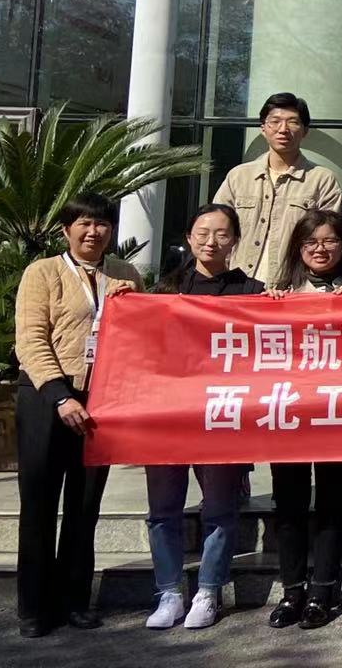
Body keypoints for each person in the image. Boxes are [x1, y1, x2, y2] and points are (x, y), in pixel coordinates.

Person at [13, 192, 142, 638]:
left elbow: (140, 336)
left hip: (101, 398)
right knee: (39, 504)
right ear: (66, 230)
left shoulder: (125, 274)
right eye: (84, 223)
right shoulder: (43, 272)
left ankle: (74, 600)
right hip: (47, 397)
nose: (93, 231)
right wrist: (59, 397)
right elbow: (31, 339)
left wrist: (132, 304)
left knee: (84, 506)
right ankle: (34, 607)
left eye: (102, 223)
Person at [145, 204, 264, 631]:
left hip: (222, 413)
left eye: (221, 233)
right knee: (163, 509)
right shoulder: (164, 291)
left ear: (235, 240)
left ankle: (209, 591)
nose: (211, 242)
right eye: (202, 232)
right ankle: (169, 592)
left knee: (219, 508)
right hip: (168, 414)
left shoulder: (252, 291)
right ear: (189, 237)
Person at [264, 209, 342, 630]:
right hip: (288, 410)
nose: (320, 249)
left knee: (331, 502)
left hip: (338, 411)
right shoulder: (278, 292)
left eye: (329, 241)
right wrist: (269, 308)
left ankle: (322, 593)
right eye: (311, 242)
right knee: (289, 503)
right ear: (298, 248)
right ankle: (292, 592)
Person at [212, 92, 342, 290]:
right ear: (263, 128)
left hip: (293, 290)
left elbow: (329, 242)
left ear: (305, 130)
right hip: (237, 288)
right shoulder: (238, 177)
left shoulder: (321, 180)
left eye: (292, 122)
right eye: (275, 122)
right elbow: (217, 230)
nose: (283, 129)